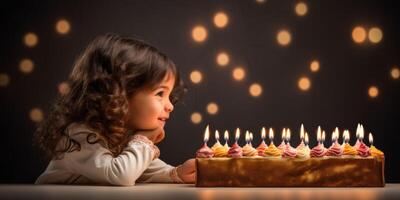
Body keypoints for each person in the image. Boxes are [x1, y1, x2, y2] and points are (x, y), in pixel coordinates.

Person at [34, 34, 195, 186]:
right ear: (120, 94)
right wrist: (143, 139)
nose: (170, 106)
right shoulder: (80, 134)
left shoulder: (122, 132)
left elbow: (141, 169)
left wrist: (176, 173)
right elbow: (121, 174)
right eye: (160, 93)